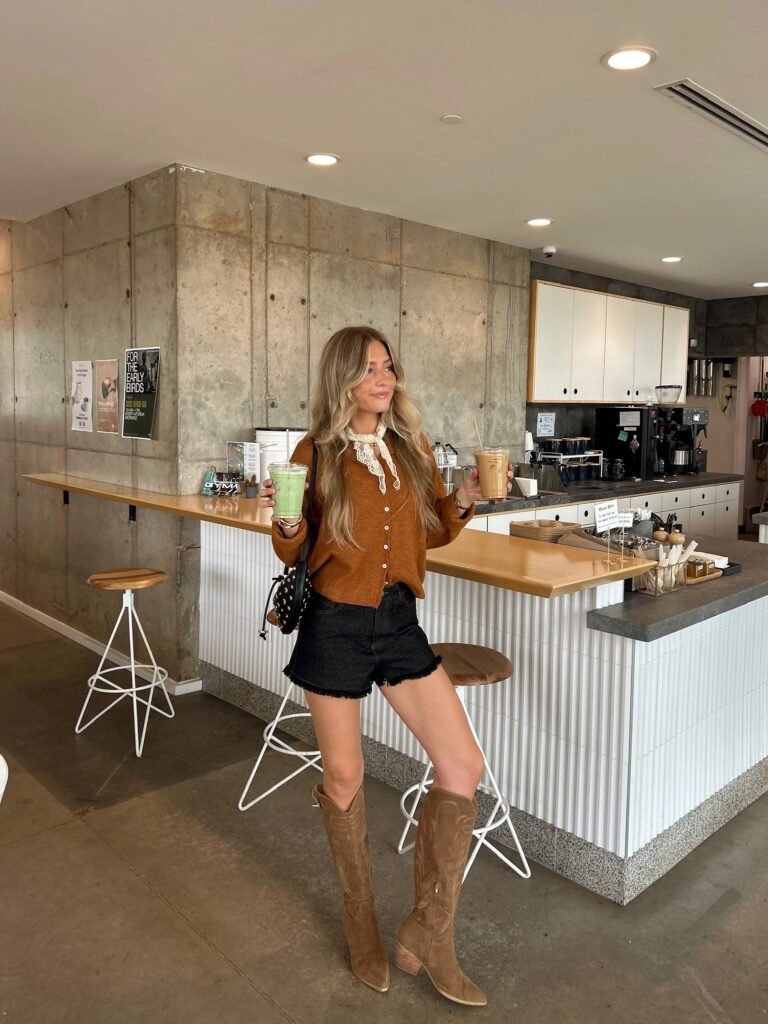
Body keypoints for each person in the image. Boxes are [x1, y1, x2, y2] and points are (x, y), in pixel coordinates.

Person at [260, 326, 512, 1007]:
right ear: (343, 378)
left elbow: (427, 531)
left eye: (389, 366)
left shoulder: (409, 446)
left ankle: (430, 930)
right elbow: (292, 548)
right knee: (345, 775)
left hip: (398, 622)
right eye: (369, 368)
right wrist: (286, 524)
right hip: (335, 625)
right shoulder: (316, 451)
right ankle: (359, 920)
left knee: (463, 766)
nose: (384, 378)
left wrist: (464, 499)